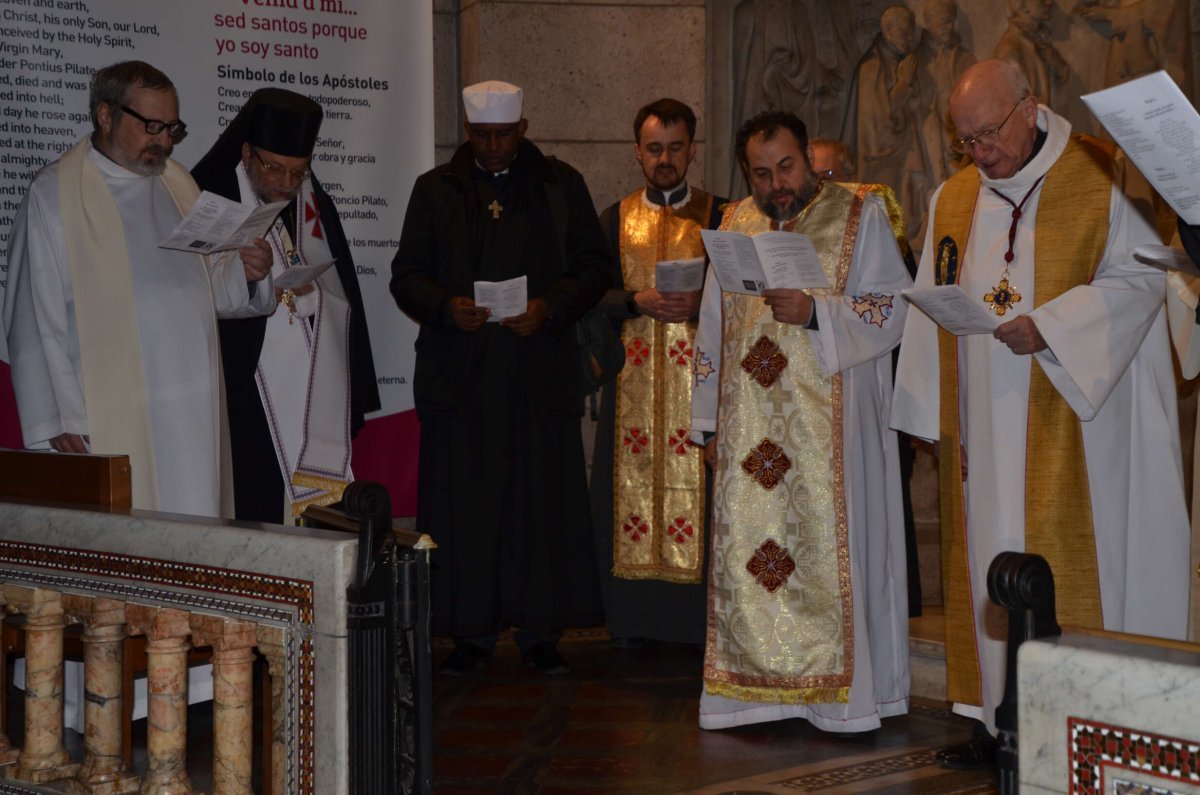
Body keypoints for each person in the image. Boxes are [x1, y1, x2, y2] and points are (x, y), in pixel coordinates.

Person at [891, 58, 1191, 770]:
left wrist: (1052, 328)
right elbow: (933, 285)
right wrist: (927, 395)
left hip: (1079, 418)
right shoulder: (956, 195)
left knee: (1064, 559)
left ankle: (1082, 715)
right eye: (965, 139)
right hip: (986, 428)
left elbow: (1146, 274)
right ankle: (996, 717)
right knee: (990, 554)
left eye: (988, 133)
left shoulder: (1104, 173)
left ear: (1029, 108)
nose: (979, 152)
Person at [690, 110, 912, 732]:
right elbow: (711, 330)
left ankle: (839, 702)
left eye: (786, 167)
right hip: (749, 440)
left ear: (808, 159)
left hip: (832, 437)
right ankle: (751, 694)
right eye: (760, 174)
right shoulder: (734, 223)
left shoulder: (859, 215)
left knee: (828, 562)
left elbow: (892, 307)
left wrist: (816, 313)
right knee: (755, 561)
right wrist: (705, 424)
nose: (775, 185)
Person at [391, 80, 610, 675]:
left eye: (503, 135)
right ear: (467, 131)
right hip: (462, 381)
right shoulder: (436, 190)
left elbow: (594, 267)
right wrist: (445, 306)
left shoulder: (559, 185)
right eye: (481, 135)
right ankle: (470, 635)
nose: (492, 147)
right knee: (466, 507)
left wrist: (549, 307)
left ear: (524, 127)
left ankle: (541, 634)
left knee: (539, 508)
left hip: (538, 375)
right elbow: (406, 275)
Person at [3, 60, 273, 516]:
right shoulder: (56, 194)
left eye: (171, 128)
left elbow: (205, 284)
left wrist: (243, 273)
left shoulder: (177, 183)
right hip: (110, 412)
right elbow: (31, 313)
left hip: (190, 404)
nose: (164, 141)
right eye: (151, 125)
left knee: (194, 524)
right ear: (106, 116)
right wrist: (59, 414)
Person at [192, 88, 380, 523]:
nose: (284, 183)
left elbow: (339, 289)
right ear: (246, 152)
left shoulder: (310, 201)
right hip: (244, 389)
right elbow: (190, 293)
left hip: (310, 379)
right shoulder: (210, 194)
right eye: (274, 168)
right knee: (253, 504)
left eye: (297, 172)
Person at [590, 98, 725, 647]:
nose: (665, 159)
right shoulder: (614, 217)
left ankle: (698, 624)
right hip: (632, 389)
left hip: (702, 384)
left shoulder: (722, 215)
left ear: (693, 150)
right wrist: (633, 299)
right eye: (654, 149)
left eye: (675, 147)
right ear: (637, 153)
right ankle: (630, 621)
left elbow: (748, 293)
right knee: (628, 498)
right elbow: (588, 293)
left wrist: (702, 304)